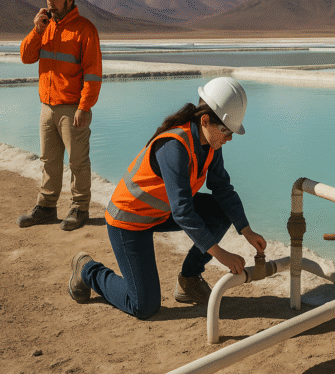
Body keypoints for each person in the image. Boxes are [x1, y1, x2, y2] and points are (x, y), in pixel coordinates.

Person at [67, 77, 267, 319]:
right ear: (205, 121)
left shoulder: (210, 146)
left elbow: (222, 188)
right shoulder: (174, 147)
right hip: (129, 221)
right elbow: (183, 210)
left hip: (160, 213)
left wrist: (246, 230)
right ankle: (87, 270)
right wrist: (220, 253)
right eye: (226, 131)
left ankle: (189, 279)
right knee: (143, 306)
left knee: (221, 211)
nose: (229, 138)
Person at [17, 0, 102, 231]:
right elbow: (26, 57)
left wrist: (84, 106)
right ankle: (46, 207)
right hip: (47, 106)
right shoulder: (45, 27)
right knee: (48, 160)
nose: (51, 2)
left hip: (72, 108)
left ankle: (80, 208)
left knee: (77, 161)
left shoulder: (85, 29)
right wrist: (37, 29)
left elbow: (93, 73)